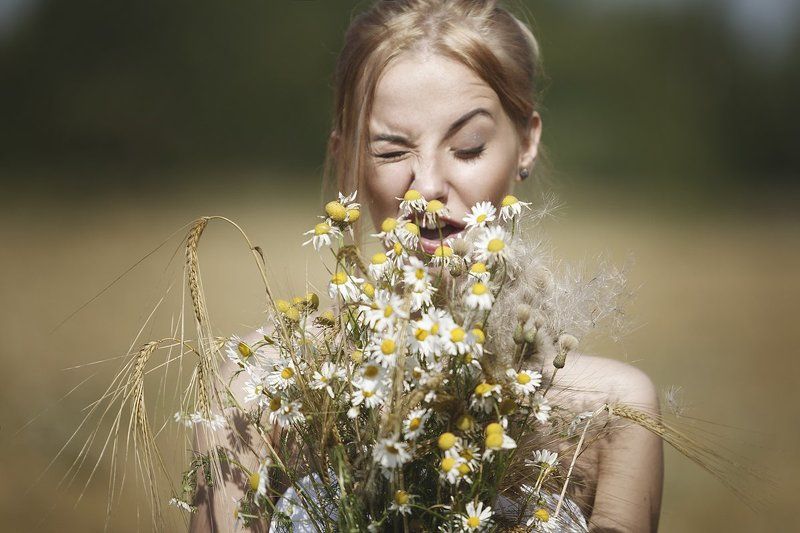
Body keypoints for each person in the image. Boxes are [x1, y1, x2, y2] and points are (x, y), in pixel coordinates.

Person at [191, 1, 663, 531]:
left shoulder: (610, 416)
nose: (428, 189)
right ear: (347, 158)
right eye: (391, 152)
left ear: (526, 143)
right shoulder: (259, 392)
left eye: (468, 147)